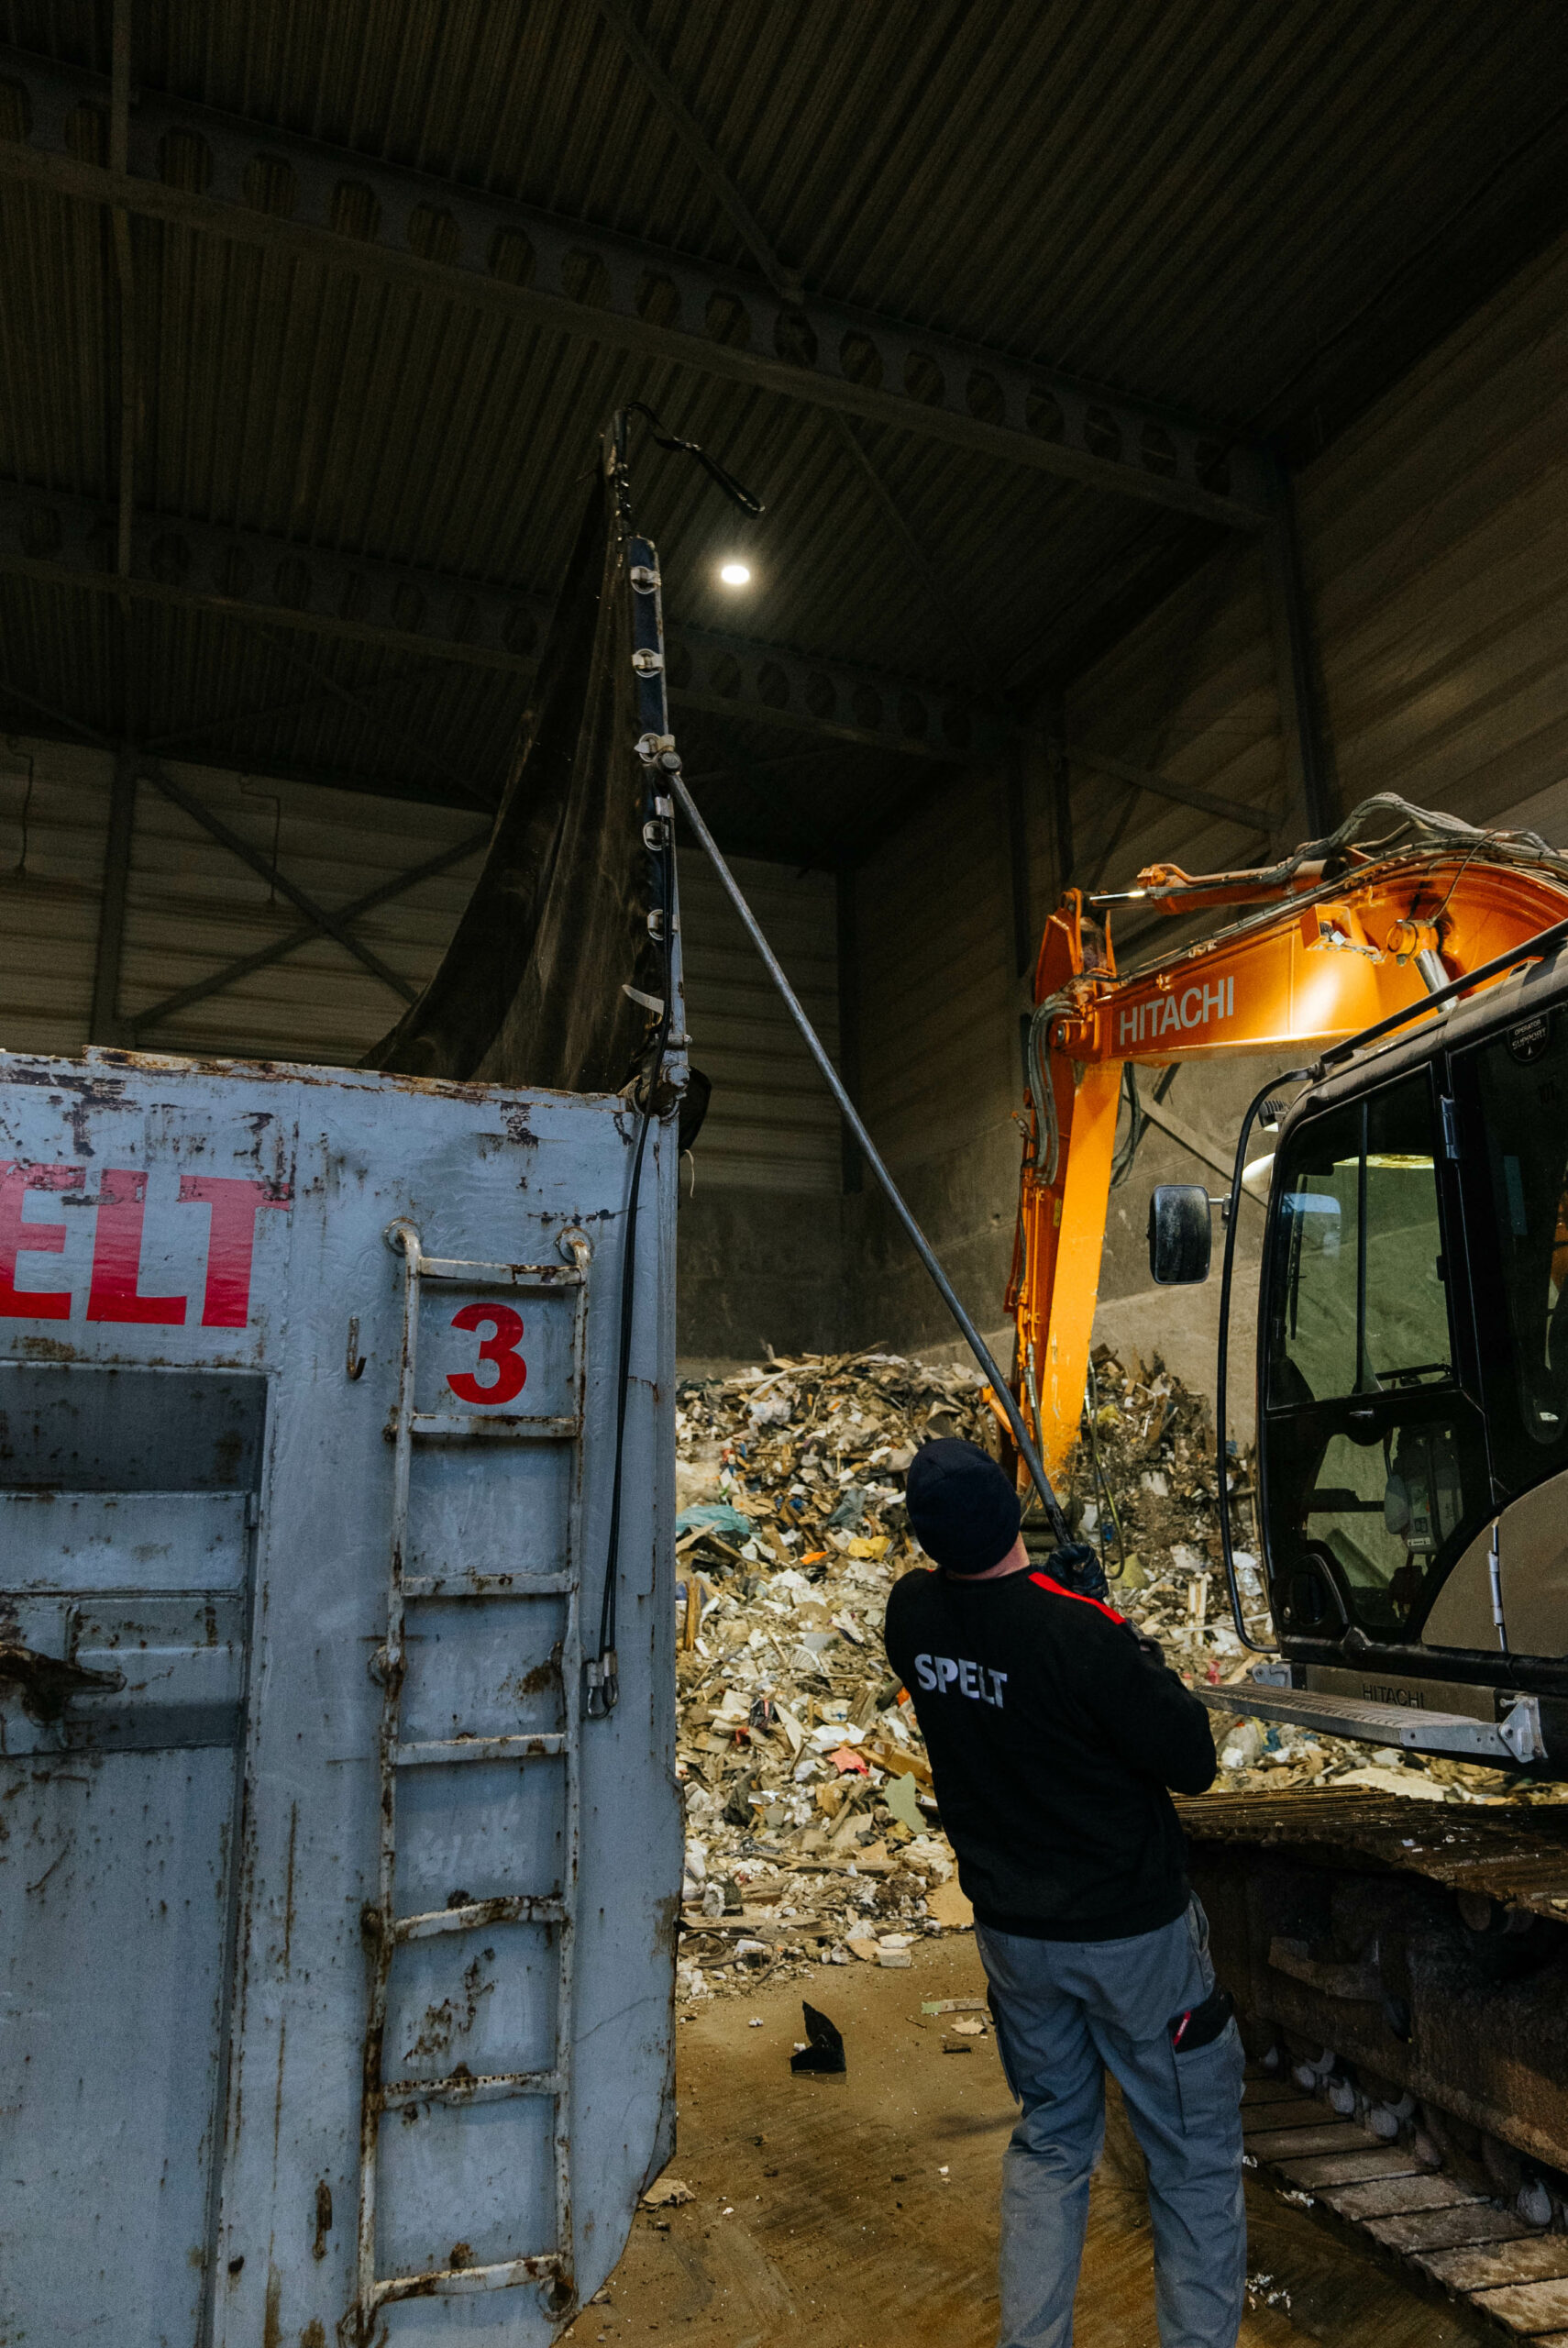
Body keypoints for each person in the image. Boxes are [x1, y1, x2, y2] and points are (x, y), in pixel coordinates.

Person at [883, 1437, 1244, 2348]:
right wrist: (1108, 1618)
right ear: (1013, 1517)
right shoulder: (1079, 1633)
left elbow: (994, 1629)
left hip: (1015, 1938)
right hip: (1132, 1936)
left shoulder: (913, 1615)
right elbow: (1190, 1758)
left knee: (1052, 2142)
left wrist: (1067, 1600)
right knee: (1192, 2159)